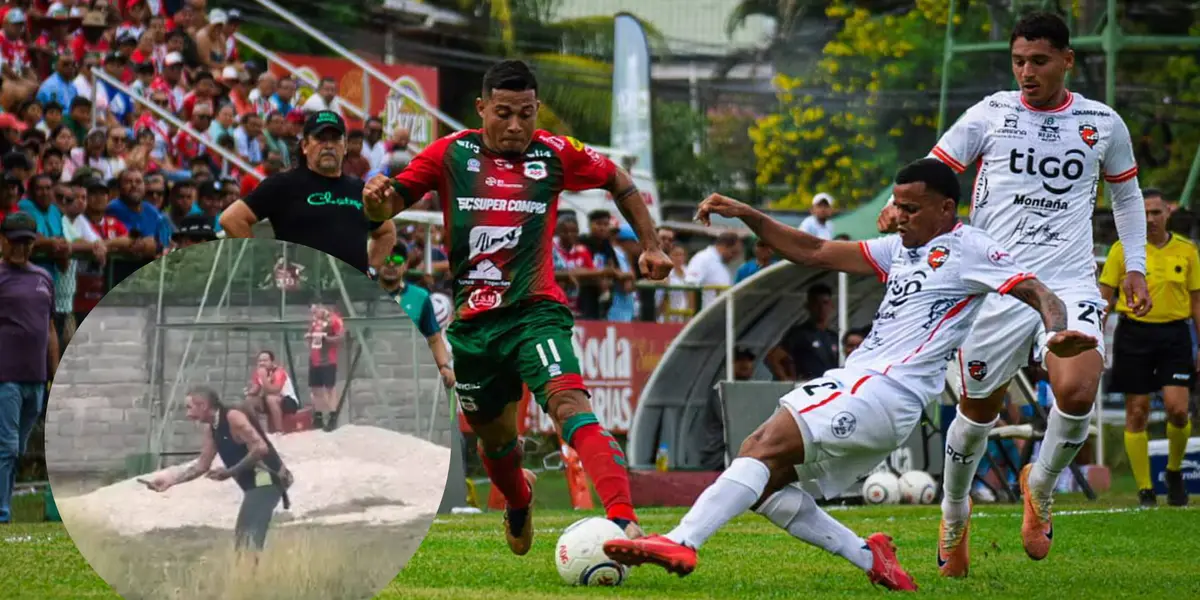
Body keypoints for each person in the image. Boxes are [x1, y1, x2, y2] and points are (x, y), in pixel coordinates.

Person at [603, 158, 1097, 590]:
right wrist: (751, 215)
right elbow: (812, 252)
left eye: (911, 208)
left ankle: (681, 541)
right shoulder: (900, 250)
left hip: (883, 390)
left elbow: (1035, 288)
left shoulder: (969, 248)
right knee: (766, 483)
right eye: (896, 206)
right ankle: (870, 555)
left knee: (760, 449)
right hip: (867, 388)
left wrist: (1057, 330)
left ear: (947, 209)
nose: (898, 216)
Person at [874, 12, 1151, 575]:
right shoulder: (990, 113)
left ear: (1067, 61)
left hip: (1068, 278)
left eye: (1040, 61)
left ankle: (1040, 486)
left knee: (1077, 391)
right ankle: (954, 513)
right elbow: (937, 166)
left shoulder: (1102, 123)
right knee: (979, 409)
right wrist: (897, 205)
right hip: (994, 282)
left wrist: (1136, 268)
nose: (1028, 72)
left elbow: (1126, 199)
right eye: (1020, 61)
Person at [361, 59, 673, 552]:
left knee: (570, 407)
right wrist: (376, 201)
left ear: (537, 110)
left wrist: (651, 243)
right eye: (503, 113)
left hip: (535, 312)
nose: (515, 126)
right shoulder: (450, 154)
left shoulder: (555, 153)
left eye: (526, 114)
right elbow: (388, 205)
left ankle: (625, 523)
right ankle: (519, 496)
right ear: (481, 108)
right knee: (496, 445)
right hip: (473, 327)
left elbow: (619, 180)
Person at [1099, 190, 1194, 507]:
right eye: (1145, 214)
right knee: (1136, 411)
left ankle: (1174, 471)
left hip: (1175, 335)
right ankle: (1145, 490)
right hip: (1134, 334)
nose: (1150, 219)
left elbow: (1197, 302)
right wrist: (1095, 339)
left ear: (1168, 212)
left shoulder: (1187, 251)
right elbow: (1104, 297)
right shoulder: (1123, 250)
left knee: (1177, 410)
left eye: (1156, 212)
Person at [218, 110, 397, 275]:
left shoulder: (359, 189)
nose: (328, 146)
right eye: (320, 139)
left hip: (349, 300)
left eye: (335, 139)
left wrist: (371, 270)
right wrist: (263, 266)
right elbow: (232, 219)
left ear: (345, 147)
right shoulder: (283, 184)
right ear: (304, 145)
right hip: (299, 299)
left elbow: (387, 232)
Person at [143, 386, 293, 554]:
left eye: (189, 407)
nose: (187, 414)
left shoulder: (232, 417)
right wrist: (171, 481)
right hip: (253, 485)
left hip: (266, 479)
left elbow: (260, 448)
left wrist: (230, 472)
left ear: (203, 405)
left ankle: (249, 575)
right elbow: (202, 465)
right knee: (244, 538)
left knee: (248, 537)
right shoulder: (212, 428)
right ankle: (249, 575)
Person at [0, 212, 60, 524]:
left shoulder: (43, 278)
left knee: (17, 449)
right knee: (7, 447)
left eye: (26, 242)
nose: (20, 248)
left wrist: (55, 371)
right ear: (2, 241)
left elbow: (50, 328)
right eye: (15, 242)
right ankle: (2, 513)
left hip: (36, 377)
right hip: (5, 376)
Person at [377, 243, 455, 389]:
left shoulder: (420, 297)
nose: (392, 264)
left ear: (406, 265)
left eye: (398, 260)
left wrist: (444, 366)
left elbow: (434, 338)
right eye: (386, 259)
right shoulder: (361, 295)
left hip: (408, 378)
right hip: (369, 376)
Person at [767, 284, 838, 381]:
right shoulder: (799, 333)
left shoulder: (833, 336)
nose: (821, 308)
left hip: (829, 388)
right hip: (808, 389)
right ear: (808, 306)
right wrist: (786, 381)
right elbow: (772, 358)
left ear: (831, 306)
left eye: (825, 303)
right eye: (816, 303)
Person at [305, 303, 344, 432]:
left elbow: (340, 338)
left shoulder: (334, 321)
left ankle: (332, 416)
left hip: (328, 360)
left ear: (324, 308)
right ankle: (318, 417)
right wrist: (309, 337)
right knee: (316, 389)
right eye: (313, 312)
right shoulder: (315, 321)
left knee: (329, 389)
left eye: (316, 311)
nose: (314, 313)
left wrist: (326, 338)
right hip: (315, 359)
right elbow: (310, 334)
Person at [244, 350, 293, 434]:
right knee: (249, 400)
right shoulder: (259, 372)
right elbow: (256, 389)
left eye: (265, 360)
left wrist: (263, 378)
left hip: (288, 401)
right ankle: (256, 430)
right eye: (260, 361)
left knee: (271, 398)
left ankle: (279, 431)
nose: (262, 363)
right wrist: (248, 392)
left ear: (272, 362)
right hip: (269, 401)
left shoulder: (279, 372)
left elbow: (274, 390)